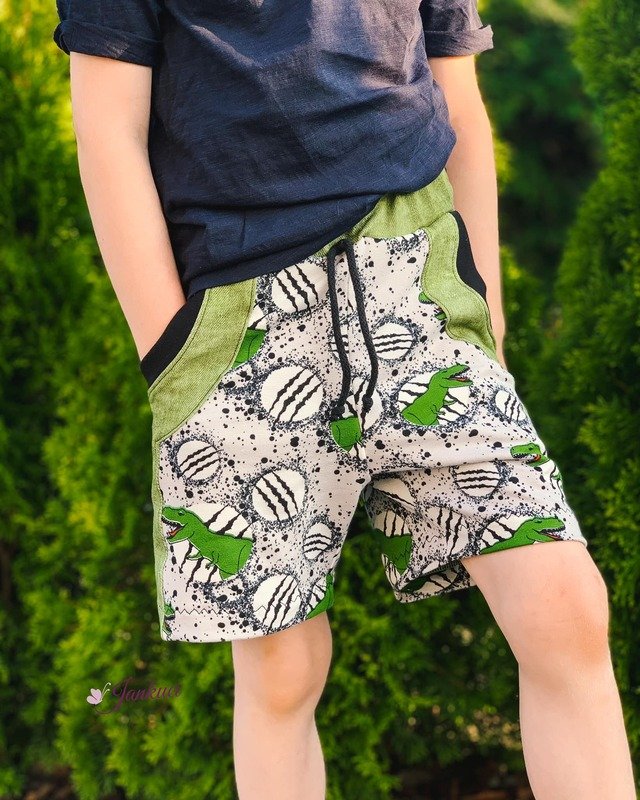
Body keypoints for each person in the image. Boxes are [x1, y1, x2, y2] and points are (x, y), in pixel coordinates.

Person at [52, 1, 636, 797]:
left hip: (420, 293)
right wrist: (173, 355)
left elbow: (459, 101)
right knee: (283, 665)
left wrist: (484, 312)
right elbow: (108, 132)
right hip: (243, 314)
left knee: (564, 606)